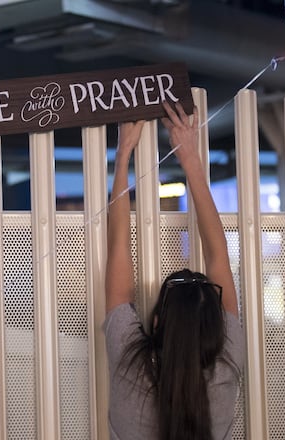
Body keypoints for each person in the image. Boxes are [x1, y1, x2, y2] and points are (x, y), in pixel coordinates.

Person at [103, 101, 245, 440]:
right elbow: (218, 256)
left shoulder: (131, 361)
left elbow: (118, 247)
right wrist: (190, 159)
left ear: (156, 323)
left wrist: (124, 155)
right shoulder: (226, 368)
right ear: (213, 326)